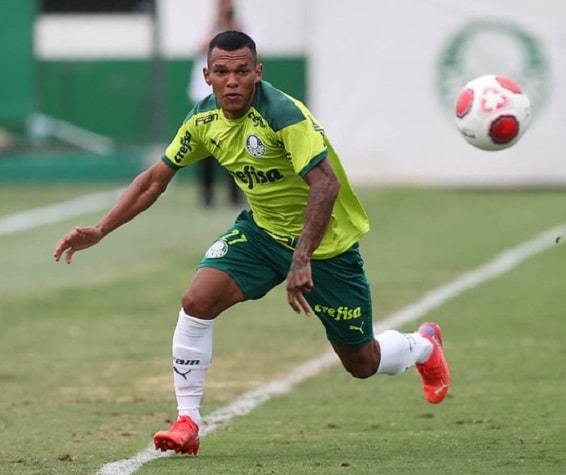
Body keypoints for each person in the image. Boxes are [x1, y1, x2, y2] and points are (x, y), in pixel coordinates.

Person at [53, 30, 450, 456]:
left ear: (257, 73)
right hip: (262, 234)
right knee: (196, 301)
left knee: (362, 363)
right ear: (206, 76)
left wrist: (302, 260)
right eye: (221, 72)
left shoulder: (283, 115)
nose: (232, 81)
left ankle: (424, 346)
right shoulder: (203, 121)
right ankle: (187, 420)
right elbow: (153, 181)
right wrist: (101, 229)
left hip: (326, 249)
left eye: (242, 71)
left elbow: (325, 185)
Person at [189, 0, 245, 209]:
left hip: (232, 95)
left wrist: (231, 25)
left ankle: (236, 195)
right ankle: (207, 195)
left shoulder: (242, 29)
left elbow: (251, 51)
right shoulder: (207, 28)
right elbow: (201, 48)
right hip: (205, 95)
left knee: (235, 146)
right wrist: (217, 24)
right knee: (206, 148)